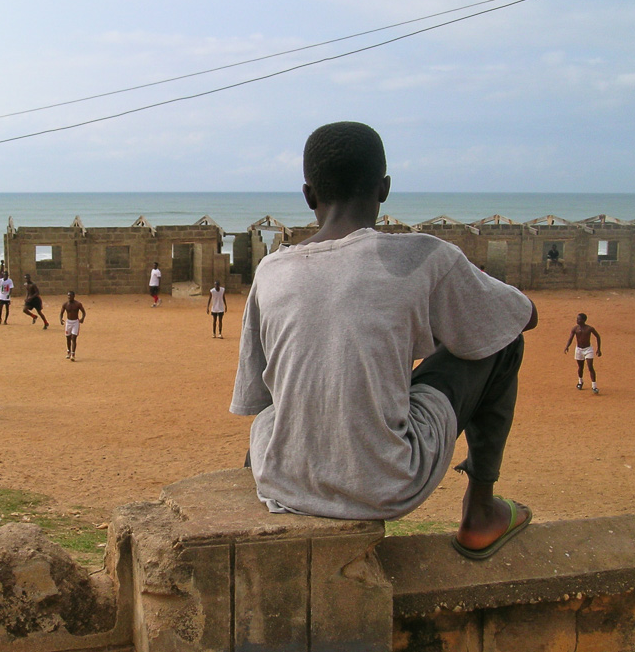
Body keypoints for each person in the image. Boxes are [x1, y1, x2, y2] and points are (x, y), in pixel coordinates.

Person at [230, 122, 538, 561]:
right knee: (500, 339)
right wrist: (476, 290)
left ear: (309, 195)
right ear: (385, 189)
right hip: (387, 479)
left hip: (279, 475)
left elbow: (259, 398)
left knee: (287, 395)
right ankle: (480, 510)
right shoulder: (424, 255)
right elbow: (522, 317)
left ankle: (288, 479)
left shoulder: (271, 271)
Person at [564, 313, 602, 394]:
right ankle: (580, 382)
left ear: (584, 320)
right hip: (579, 349)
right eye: (577, 319)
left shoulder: (589, 328)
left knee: (590, 367)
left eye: (579, 319)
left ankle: (594, 386)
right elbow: (570, 338)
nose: (577, 320)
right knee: (580, 367)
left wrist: (599, 349)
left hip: (588, 349)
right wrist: (567, 346)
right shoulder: (575, 329)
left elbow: (598, 336)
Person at [59, 291, 86, 361]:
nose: (69, 297)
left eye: (70, 296)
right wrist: (61, 319)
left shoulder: (78, 304)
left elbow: (83, 312)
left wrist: (82, 318)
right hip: (68, 322)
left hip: (75, 322)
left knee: (73, 338)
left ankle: (73, 354)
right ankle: (68, 351)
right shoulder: (65, 304)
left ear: (74, 296)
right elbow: (61, 312)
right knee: (68, 338)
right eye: (68, 296)